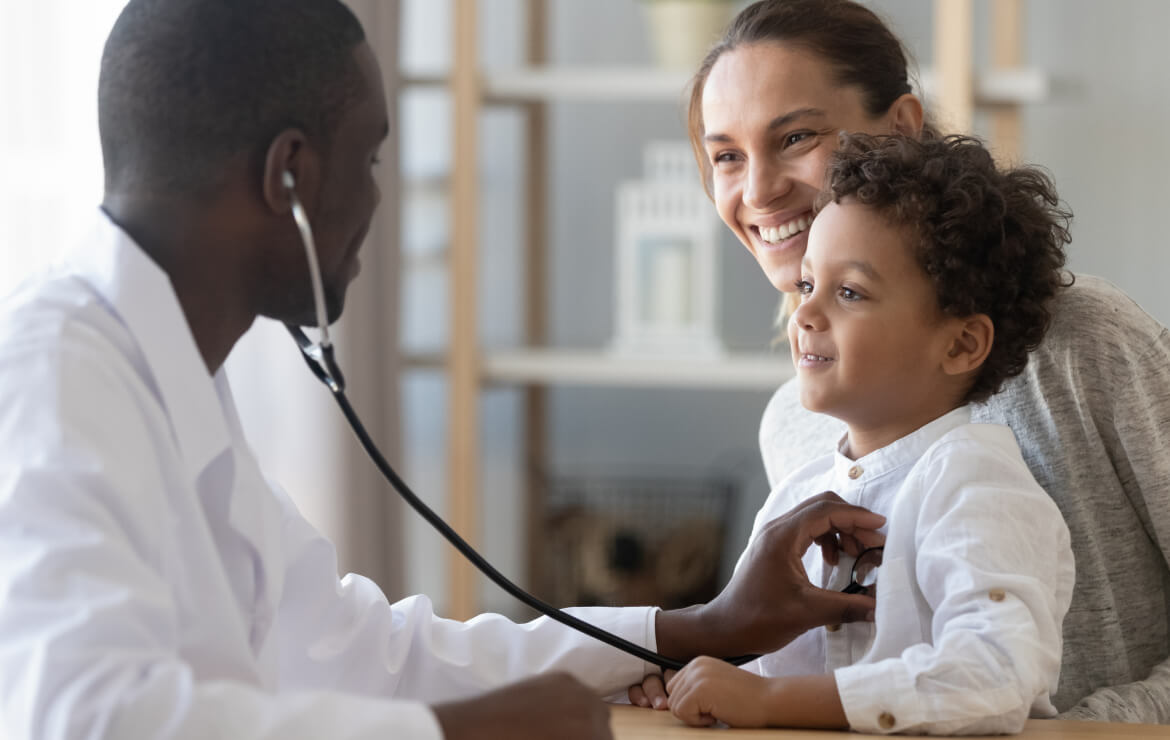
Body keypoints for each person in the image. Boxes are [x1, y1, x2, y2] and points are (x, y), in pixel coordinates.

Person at [0, 2, 889, 739]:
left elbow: (367, 651)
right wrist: (461, 733)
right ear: (291, 178)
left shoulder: (173, 379)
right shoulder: (51, 375)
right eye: (371, 158)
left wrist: (703, 627)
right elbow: (86, 717)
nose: (381, 198)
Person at [632, 0, 1170, 723]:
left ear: (901, 130)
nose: (756, 190)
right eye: (726, 154)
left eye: (795, 136)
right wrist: (703, 677)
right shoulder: (799, 424)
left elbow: (983, 676)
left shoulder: (1085, 344)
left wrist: (1080, 732)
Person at [666, 132, 1075, 733]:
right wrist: (695, 683)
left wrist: (766, 701)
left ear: (961, 344)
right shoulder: (795, 499)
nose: (804, 314)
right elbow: (759, 673)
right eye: (808, 285)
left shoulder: (975, 485)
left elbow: (993, 674)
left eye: (850, 292)